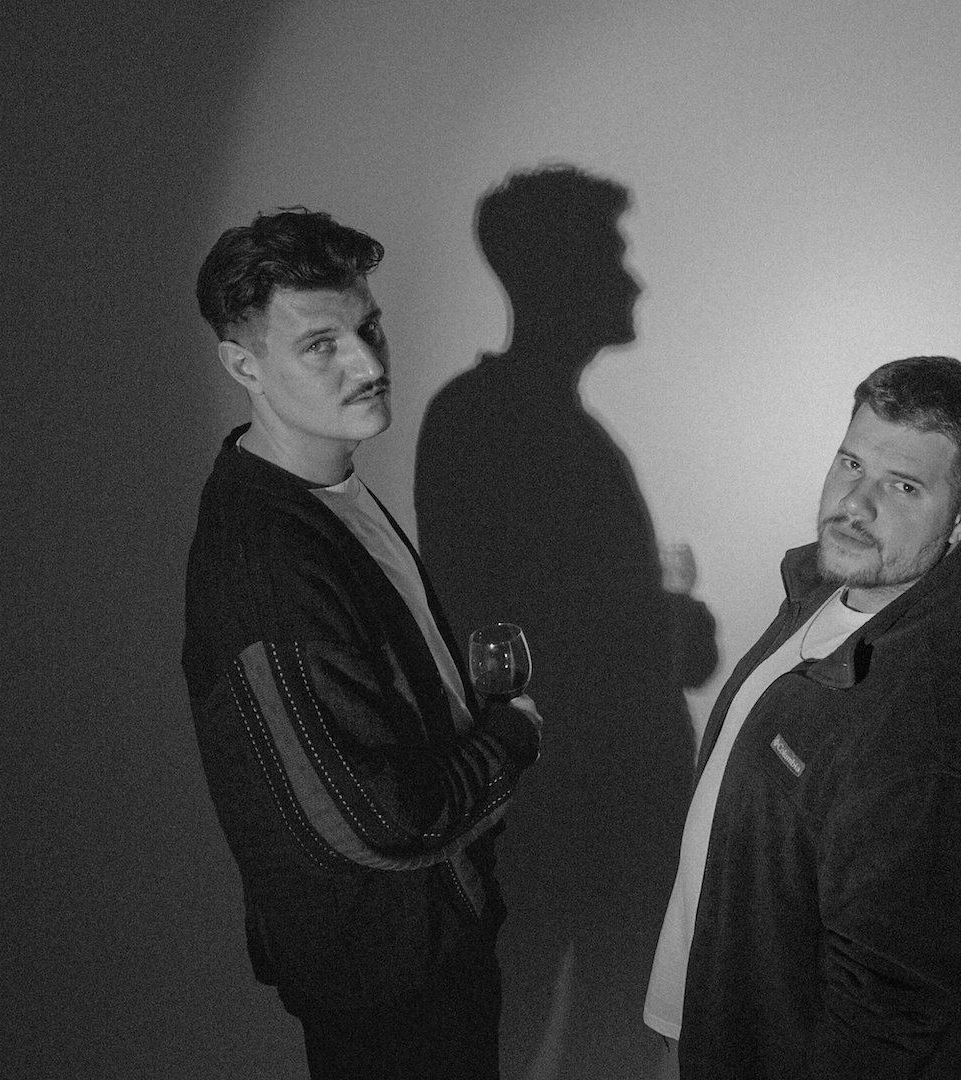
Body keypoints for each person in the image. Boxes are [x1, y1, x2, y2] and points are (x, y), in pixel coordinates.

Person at [182, 208, 542, 1079]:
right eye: (321, 345)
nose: (370, 365)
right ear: (243, 366)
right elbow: (381, 820)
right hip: (386, 979)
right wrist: (514, 737)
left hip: (429, 940)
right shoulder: (267, 565)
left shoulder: (326, 488)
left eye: (369, 329)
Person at [645, 356, 961, 1078]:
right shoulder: (829, 590)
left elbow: (886, 1017)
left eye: (903, 486)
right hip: (707, 1021)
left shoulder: (937, 731)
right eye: (852, 463)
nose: (855, 503)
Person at [415, 167, 710, 1075]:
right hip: (572, 815)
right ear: (559, 273)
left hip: (569, 813)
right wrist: (661, 635)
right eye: (612, 256)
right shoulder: (498, 425)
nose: (634, 281)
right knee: (567, 1041)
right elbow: (498, 626)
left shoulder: (501, 421)